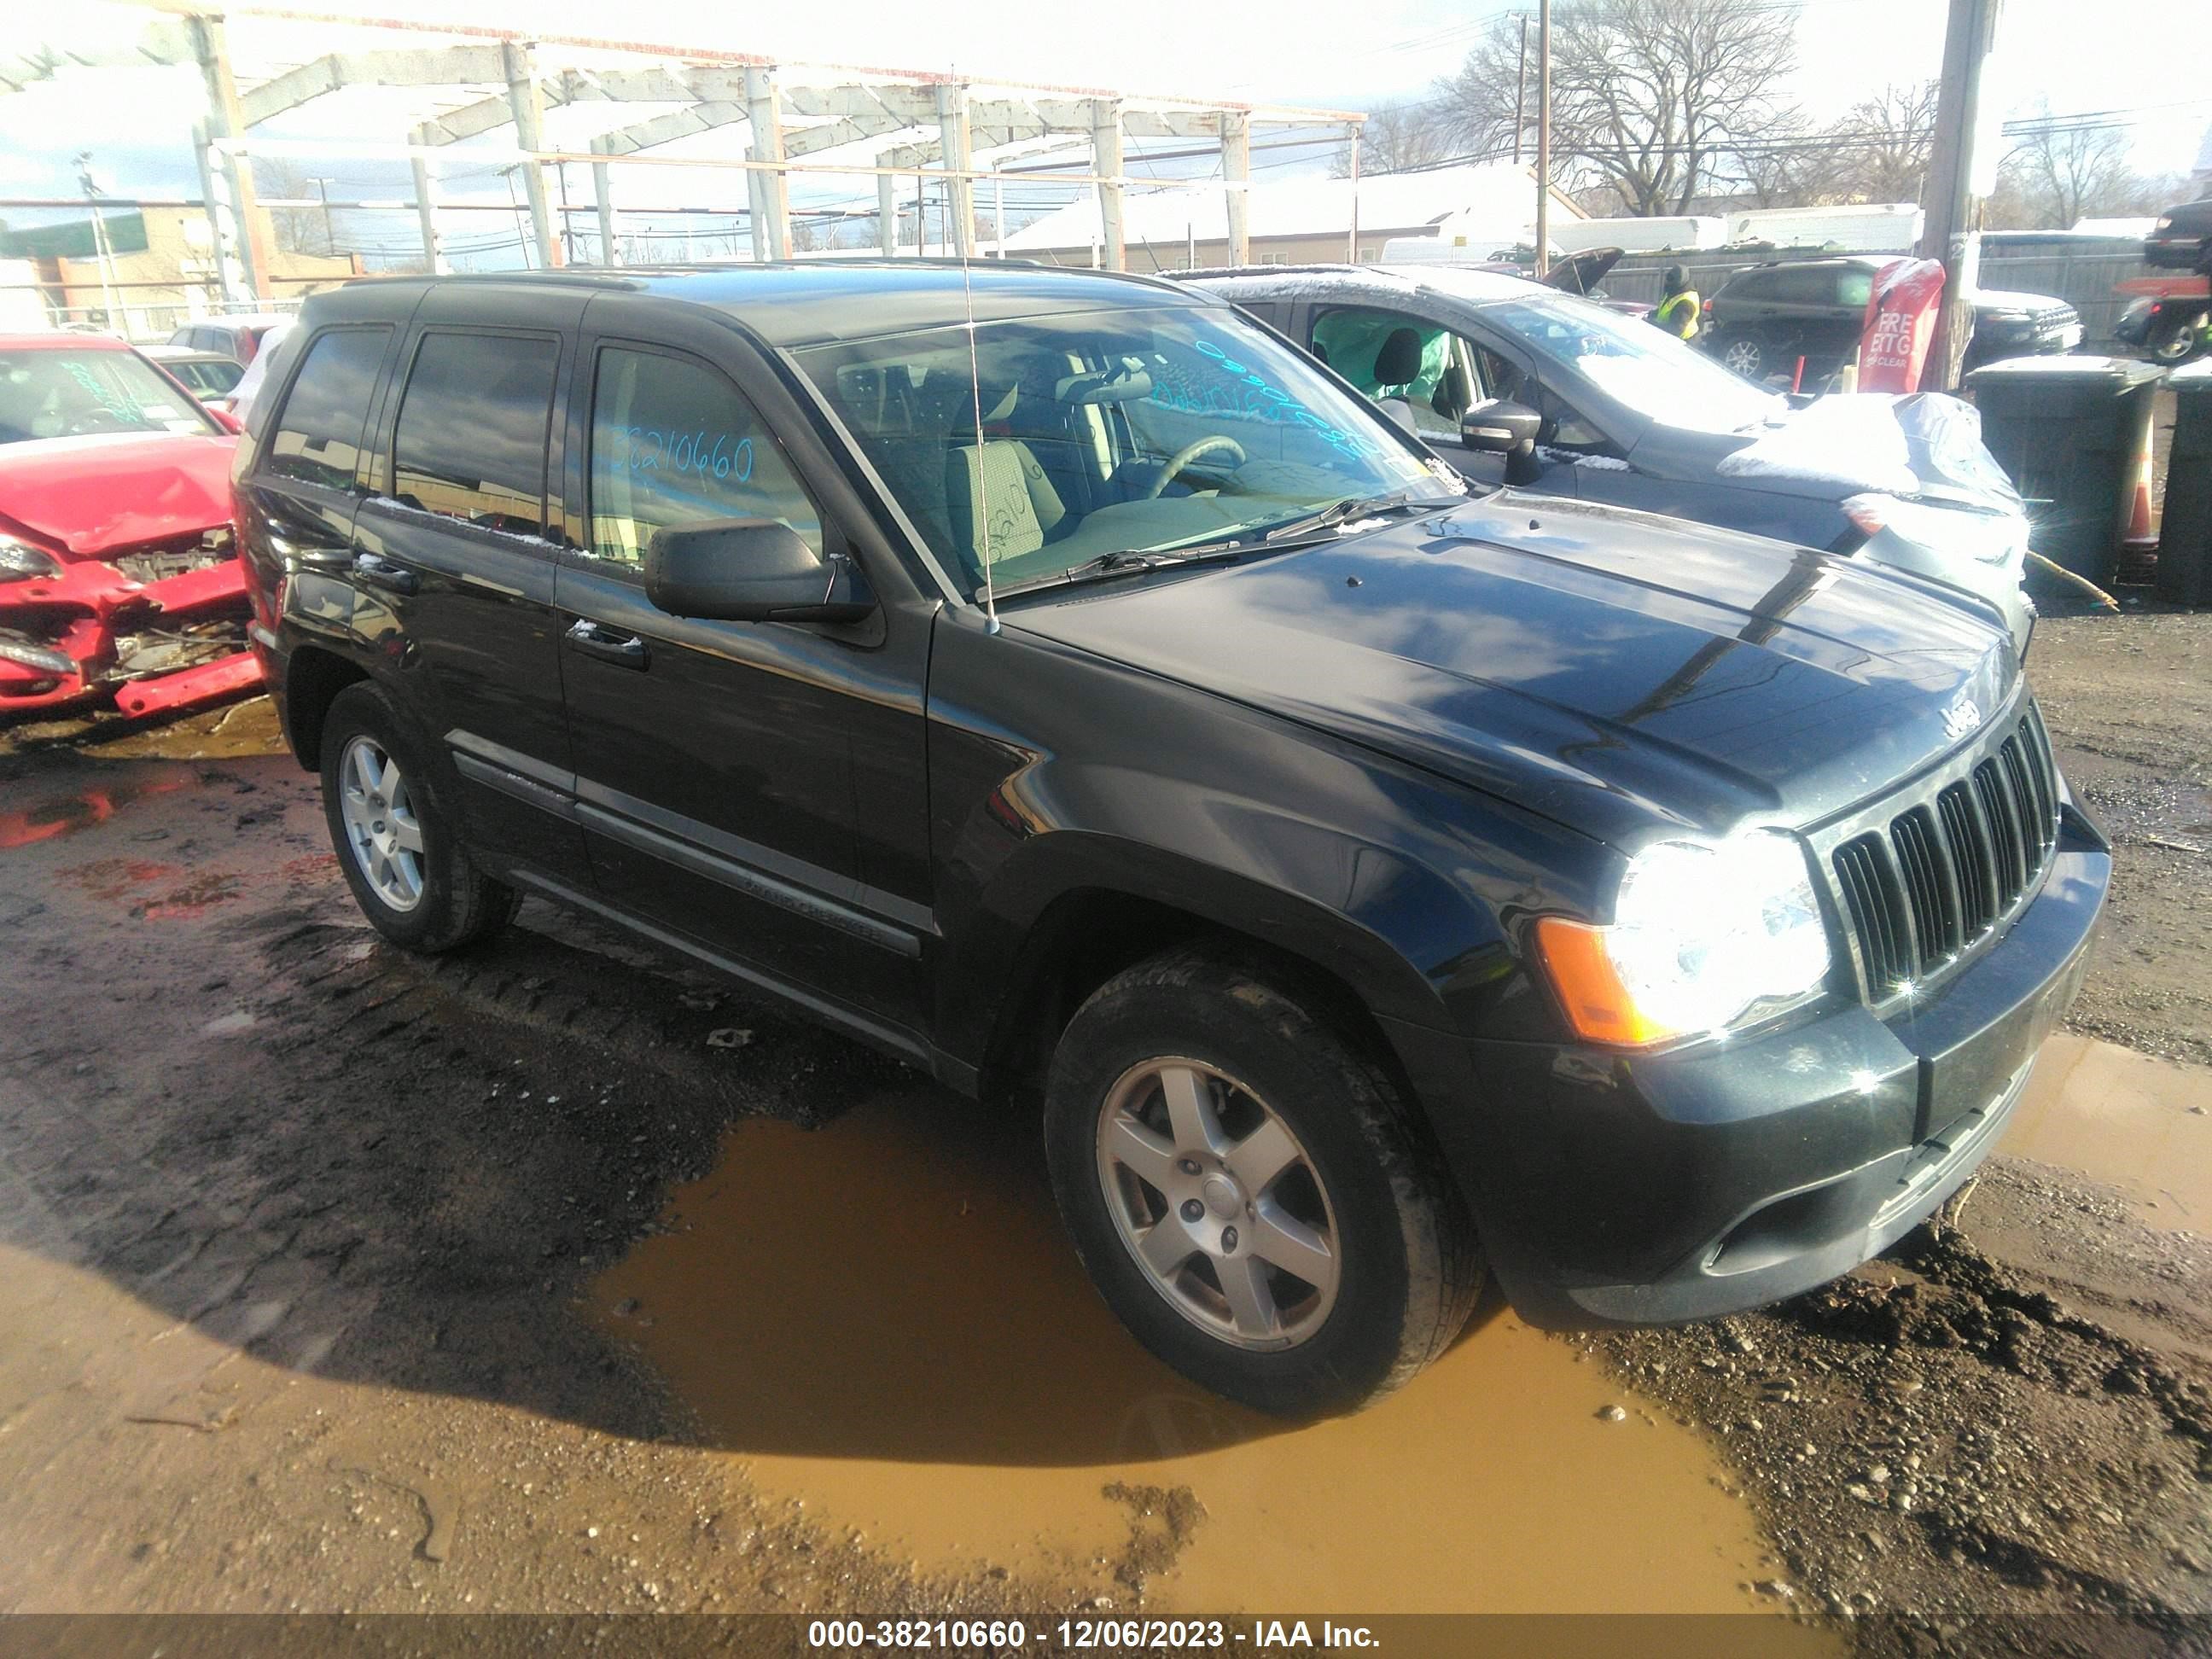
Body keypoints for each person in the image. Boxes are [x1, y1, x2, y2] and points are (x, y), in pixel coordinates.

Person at [1654, 266, 1700, 341]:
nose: (1668, 283)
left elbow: (1676, 329)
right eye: (1668, 279)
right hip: (1669, 338)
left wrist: (1653, 325)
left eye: (1671, 280)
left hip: (1683, 342)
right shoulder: (1674, 292)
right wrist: (1652, 314)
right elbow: (1665, 310)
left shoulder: (1686, 301)